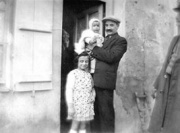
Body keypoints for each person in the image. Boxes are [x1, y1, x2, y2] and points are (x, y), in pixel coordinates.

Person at [88, 16, 127, 133]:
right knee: (94, 115)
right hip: (93, 80)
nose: (108, 28)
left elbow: (112, 57)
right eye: (107, 25)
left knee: (106, 116)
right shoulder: (102, 40)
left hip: (105, 82)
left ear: (117, 26)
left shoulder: (120, 41)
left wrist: (94, 48)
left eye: (112, 25)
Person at [148, 3, 180, 133]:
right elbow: (165, 65)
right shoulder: (175, 40)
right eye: (178, 21)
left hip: (177, 90)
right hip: (166, 87)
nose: (178, 24)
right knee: (162, 123)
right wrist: (156, 85)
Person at [65, 51, 96, 133]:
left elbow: (92, 88)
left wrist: (93, 96)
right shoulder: (73, 74)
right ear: (77, 62)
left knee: (83, 125)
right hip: (77, 105)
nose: (84, 63)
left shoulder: (88, 75)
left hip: (86, 104)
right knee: (75, 125)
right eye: (81, 61)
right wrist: (70, 106)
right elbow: (69, 90)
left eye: (86, 61)